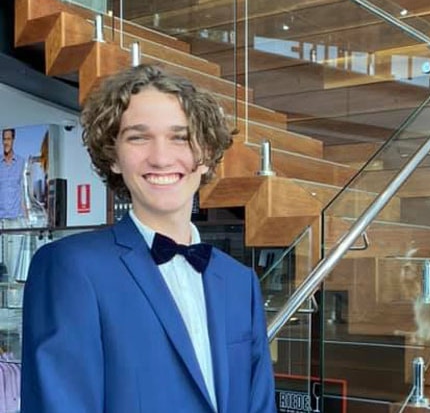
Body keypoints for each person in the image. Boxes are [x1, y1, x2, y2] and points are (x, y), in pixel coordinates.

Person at [21, 65, 277, 413]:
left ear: (205, 154)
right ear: (113, 156)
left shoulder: (238, 281)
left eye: (180, 137)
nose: (160, 157)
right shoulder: (70, 267)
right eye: (138, 137)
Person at [0, 128, 24, 221]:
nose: (6, 142)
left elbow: (24, 192)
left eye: (9, 139)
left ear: (13, 140)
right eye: (4, 139)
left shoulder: (21, 162)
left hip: (16, 219)